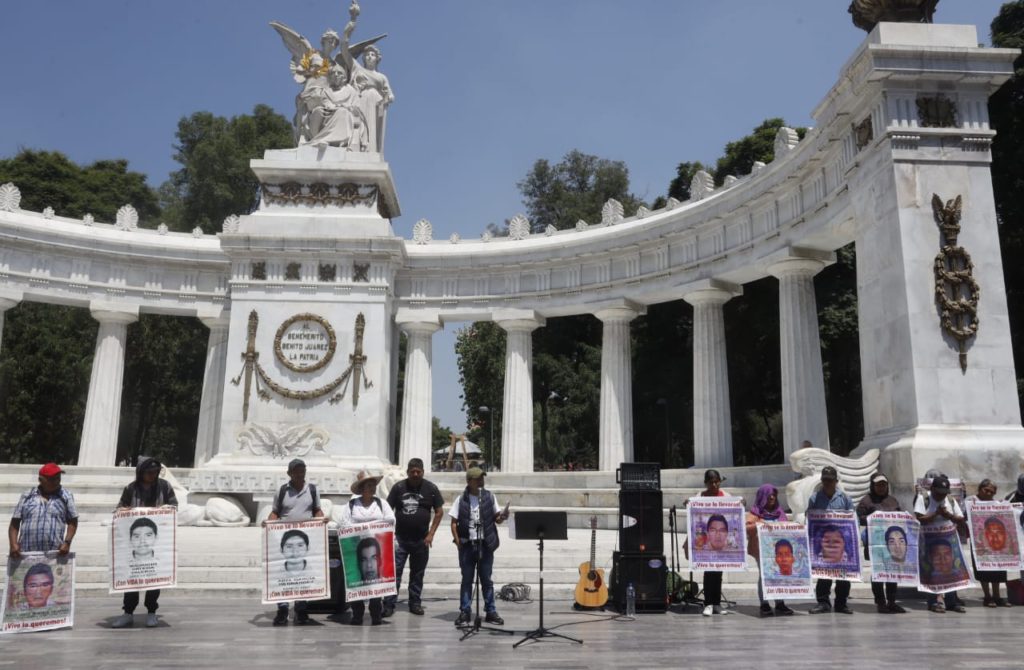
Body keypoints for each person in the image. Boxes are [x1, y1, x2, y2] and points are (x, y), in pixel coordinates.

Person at [111, 457, 177, 628]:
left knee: (154, 577)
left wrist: (166, 510)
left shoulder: (165, 486)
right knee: (132, 576)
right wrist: (123, 510)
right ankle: (128, 612)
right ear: (141, 472)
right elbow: (119, 507)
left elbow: (174, 506)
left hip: (156, 541)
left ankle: (152, 612)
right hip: (134, 541)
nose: (152, 475)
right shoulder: (131, 488)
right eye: (149, 472)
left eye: (155, 472)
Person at [266, 458, 324, 626]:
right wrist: (268, 524)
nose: (300, 473)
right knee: (282, 575)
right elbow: (275, 512)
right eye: (296, 471)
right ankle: (282, 610)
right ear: (289, 473)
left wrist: (323, 521)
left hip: (305, 538)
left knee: (304, 575)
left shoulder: (312, 490)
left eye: (302, 470)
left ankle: (301, 610)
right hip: (284, 539)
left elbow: (317, 510)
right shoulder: (282, 490)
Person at [384, 458, 445, 617]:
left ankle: (415, 603)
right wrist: (389, 532)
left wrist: (431, 534)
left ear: (423, 472)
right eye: (413, 472)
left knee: (417, 574)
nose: (416, 474)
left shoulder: (431, 488)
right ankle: (389, 604)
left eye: (419, 471)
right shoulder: (399, 487)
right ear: (408, 472)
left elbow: (439, 512)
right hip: (400, 539)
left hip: (421, 540)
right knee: (395, 573)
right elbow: (386, 510)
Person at [450, 466, 508, 626]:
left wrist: (502, 516)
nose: (481, 481)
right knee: (467, 580)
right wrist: (458, 543)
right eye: (477, 479)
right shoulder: (461, 499)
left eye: (482, 478)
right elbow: (453, 523)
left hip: (485, 545)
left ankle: (490, 611)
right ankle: (465, 611)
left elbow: (497, 518)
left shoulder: (489, 497)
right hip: (467, 545)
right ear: (469, 481)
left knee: (487, 580)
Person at [339, 470, 395, 626]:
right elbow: (343, 524)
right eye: (368, 485)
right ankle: (357, 615)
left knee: (376, 581)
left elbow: (390, 520)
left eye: (373, 485)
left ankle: (376, 614)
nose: (371, 488)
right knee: (357, 579)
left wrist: (367, 528)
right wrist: (364, 529)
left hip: (376, 548)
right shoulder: (351, 505)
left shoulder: (381, 504)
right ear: (361, 488)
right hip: (357, 548)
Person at [914, 473, 967, 613]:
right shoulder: (923, 498)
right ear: (932, 489)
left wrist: (948, 516)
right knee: (932, 571)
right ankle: (933, 602)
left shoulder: (949, 500)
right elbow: (920, 518)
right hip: (929, 541)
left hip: (948, 540)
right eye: (938, 493)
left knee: (951, 570)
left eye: (944, 493)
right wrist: (936, 514)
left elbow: (960, 518)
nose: (941, 496)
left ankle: (952, 601)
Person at [855, 471, 906, 613]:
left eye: (884, 484)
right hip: (875, 544)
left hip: (892, 545)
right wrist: (873, 517)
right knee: (878, 573)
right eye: (878, 485)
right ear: (873, 485)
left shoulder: (893, 500)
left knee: (892, 573)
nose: (881, 487)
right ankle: (880, 602)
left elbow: (900, 517)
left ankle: (891, 601)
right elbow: (858, 518)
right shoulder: (866, 501)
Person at [808, 466, 855, 615]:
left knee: (843, 575)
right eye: (825, 480)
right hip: (823, 543)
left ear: (836, 481)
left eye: (830, 480)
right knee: (824, 574)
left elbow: (853, 520)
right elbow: (809, 519)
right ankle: (823, 603)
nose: (827, 483)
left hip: (841, 543)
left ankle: (841, 603)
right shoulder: (814, 498)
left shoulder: (845, 499)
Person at [9, 463, 78, 560]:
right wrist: (13, 544)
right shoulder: (27, 496)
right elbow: (15, 522)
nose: (56, 481)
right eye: (52, 479)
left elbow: (73, 522)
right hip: (27, 553)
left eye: (58, 478)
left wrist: (67, 542)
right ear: (40, 480)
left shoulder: (66, 496)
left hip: (54, 554)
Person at [746, 483, 793, 616]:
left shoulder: (779, 512)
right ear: (762, 497)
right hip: (761, 551)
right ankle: (764, 604)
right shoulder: (755, 512)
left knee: (778, 576)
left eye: (774, 495)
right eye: (769, 495)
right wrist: (758, 524)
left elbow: (786, 527)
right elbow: (745, 527)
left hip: (778, 552)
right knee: (764, 575)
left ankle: (780, 603)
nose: (772, 497)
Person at [970, 479, 1011, 607]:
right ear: (980, 488)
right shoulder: (970, 500)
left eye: (992, 492)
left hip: (996, 542)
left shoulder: (996, 503)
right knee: (983, 569)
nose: (988, 494)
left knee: (997, 568)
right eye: (986, 490)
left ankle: (997, 596)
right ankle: (987, 596)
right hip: (979, 540)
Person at [697, 469, 732, 617]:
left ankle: (716, 603)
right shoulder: (700, 496)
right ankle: (708, 603)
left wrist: (741, 502)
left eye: (716, 481)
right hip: (706, 542)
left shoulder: (726, 496)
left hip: (720, 544)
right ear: (705, 483)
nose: (714, 484)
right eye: (711, 482)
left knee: (718, 572)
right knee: (708, 571)